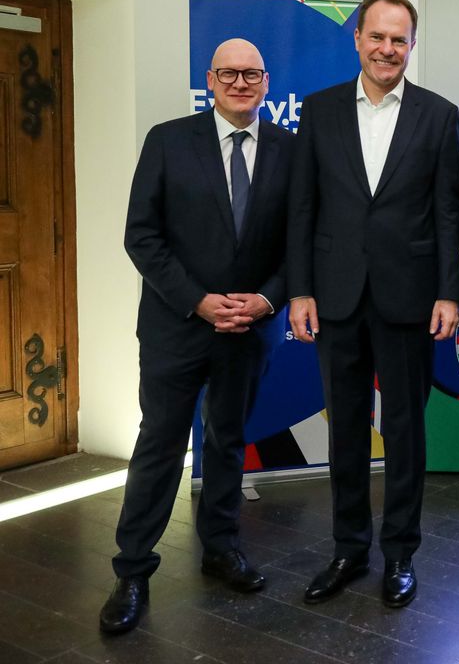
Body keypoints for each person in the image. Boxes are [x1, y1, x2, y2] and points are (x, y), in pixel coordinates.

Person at [100, 39, 294, 634]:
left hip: (249, 328)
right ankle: (132, 570)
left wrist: (266, 299)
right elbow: (142, 236)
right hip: (177, 326)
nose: (241, 82)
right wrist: (198, 302)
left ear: (266, 82)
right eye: (229, 73)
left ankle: (221, 547)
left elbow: (302, 240)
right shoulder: (168, 140)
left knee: (228, 440)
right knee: (160, 444)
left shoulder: (291, 149)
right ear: (210, 79)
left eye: (252, 73)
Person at [287, 0, 459, 608]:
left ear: (411, 46)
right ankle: (348, 549)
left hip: (410, 297)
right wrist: (300, 288)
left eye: (400, 39)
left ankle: (400, 555)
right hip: (334, 296)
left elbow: (447, 211)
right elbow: (303, 207)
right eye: (377, 37)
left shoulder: (439, 115)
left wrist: (449, 291)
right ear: (357, 39)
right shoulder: (319, 110)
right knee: (346, 433)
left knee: (407, 430)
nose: (388, 49)